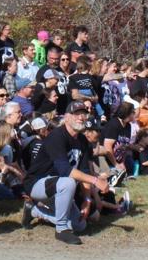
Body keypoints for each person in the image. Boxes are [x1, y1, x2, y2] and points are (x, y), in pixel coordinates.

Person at [21, 102, 110, 245]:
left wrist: (87, 200)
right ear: (67, 117)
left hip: (60, 187)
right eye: (76, 114)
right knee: (68, 181)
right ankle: (61, 230)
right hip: (37, 184)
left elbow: (84, 171)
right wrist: (96, 180)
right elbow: (65, 171)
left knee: (80, 225)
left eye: (83, 114)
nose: (81, 117)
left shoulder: (82, 140)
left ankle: (34, 211)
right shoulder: (56, 136)